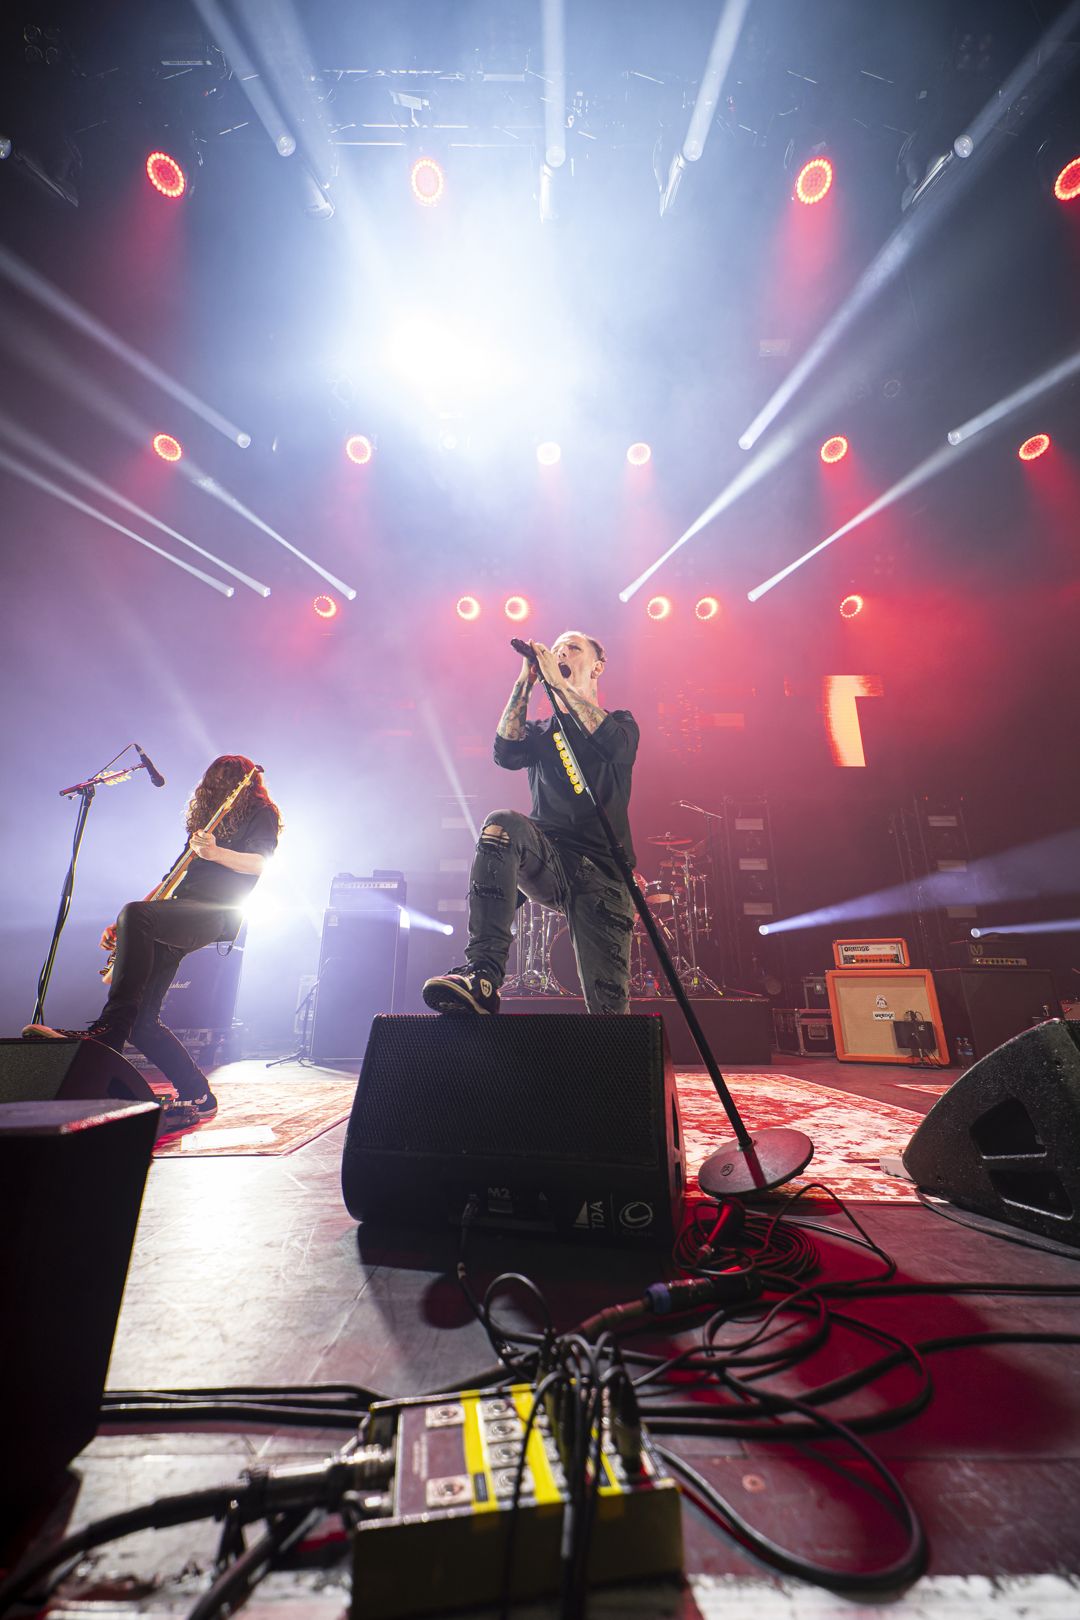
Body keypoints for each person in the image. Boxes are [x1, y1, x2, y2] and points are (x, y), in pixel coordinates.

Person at [23, 756, 281, 1130]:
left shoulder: (262, 811)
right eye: (215, 779)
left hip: (216, 912)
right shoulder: (206, 825)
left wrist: (215, 853)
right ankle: (198, 1094)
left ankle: (110, 1031)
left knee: (137, 915)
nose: (219, 785)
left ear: (244, 784)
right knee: (144, 1021)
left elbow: (260, 863)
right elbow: (170, 878)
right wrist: (124, 924)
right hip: (180, 910)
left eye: (227, 779)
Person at [423, 631, 639, 1016]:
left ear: (598, 666)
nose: (560, 653)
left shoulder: (620, 724)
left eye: (572, 648)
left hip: (604, 877)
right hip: (551, 859)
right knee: (501, 825)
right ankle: (484, 974)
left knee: (610, 1016)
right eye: (555, 649)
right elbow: (504, 752)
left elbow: (613, 747)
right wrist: (526, 678)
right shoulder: (542, 733)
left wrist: (559, 683)